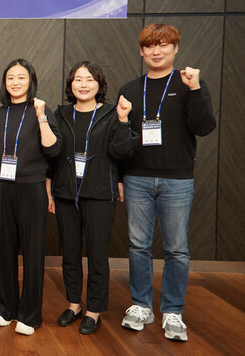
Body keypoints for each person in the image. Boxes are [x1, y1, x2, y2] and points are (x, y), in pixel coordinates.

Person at [118, 24, 216, 342]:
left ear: (175, 48)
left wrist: (196, 88)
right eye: (150, 46)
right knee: (138, 246)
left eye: (163, 45)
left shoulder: (189, 84)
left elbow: (204, 127)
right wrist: (119, 178)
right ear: (141, 51)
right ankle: (141, 305)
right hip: (137, 178)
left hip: (177, 179)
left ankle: (173, 311)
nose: (156, 51)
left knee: (177, 249)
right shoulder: (130, 90)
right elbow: (121, 140)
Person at [45, 61, 139, 335]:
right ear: (70, 84)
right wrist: (49, 188)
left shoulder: (111, 113)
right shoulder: (61, 114)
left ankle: (94, 311)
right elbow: (52, 153)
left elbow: (122, 152)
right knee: (70, 253)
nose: (83, 84)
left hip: (99, 193)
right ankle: (74, 304)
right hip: (66, 193)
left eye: (89, 79)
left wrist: (124, 120)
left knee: (97, 254)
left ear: (99, 84)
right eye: (78, 79)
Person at [0, 58, 61, 335]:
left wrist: (41, 117)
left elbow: (53, 149)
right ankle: (6, 309)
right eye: (10, 78)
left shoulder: (41, 110)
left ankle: (30, 315)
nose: (15, 82)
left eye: (21, 77)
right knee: (4, 250)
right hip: (3, 187)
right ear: (4, 83)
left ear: (31, 81)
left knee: (32, 251)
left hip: (32, 187)